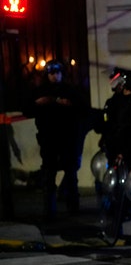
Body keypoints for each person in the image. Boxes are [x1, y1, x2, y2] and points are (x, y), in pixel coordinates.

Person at [25, 60, 90, 219]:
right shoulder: (41, 91)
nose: (55, 76)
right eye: (52, 73)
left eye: (58, 73)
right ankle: (49, 210)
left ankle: (73, 208)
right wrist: (38, 103)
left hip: (67, 139)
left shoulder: (70, 91)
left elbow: (83, 108)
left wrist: (68, 104)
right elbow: (27, 109)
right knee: (49, 175)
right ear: (47, 75)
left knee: (70, 175)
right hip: (49, 140)